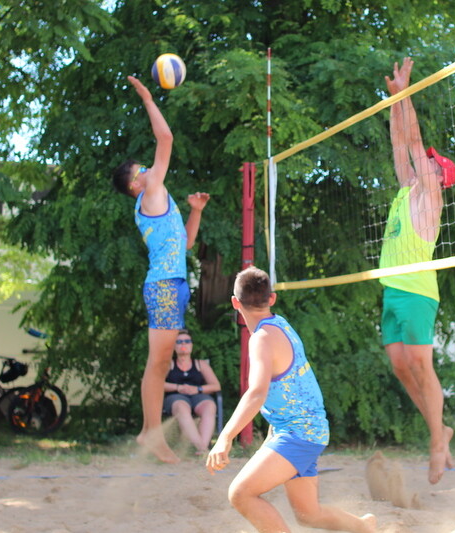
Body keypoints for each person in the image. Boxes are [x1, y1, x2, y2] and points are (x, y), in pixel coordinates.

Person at [207, 267, 376, 533]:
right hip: (304, 429)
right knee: (308, 515)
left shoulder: (261, 338)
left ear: (235, 302)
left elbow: (256, 392)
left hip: (300, 433)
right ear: (271, 299)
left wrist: (225, 437)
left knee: (240, 494)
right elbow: (290, 388)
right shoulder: (280, 323)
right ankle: (365, 527)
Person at [111, 75, 210, 463]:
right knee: (157, 364)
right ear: (136, 185)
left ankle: (149, 433)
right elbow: (165, 139)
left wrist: (196, 213)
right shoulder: (151, 194)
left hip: (171, 284)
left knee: (158, 362)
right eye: (141, 170)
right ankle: (151, 433)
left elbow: (184, 244)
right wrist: (149, 98)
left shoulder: (155, 200)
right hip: (165, 287)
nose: (149, 170)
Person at [379, 57, 455, 485]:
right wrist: (395, 100)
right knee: (399, 365)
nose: (420, 161)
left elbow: (413, 141)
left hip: (416, 291)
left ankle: (436, 441)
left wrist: (406, 92)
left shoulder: (430, 197)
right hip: (393, 289)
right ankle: (439, 426)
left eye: (428, 161)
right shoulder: (406, 191)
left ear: (437, 176)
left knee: (421, 366)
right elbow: (399, 143)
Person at [163, 329, 221, 454]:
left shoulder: (200, 364)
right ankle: (202, 448)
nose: (183, 344)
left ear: (191, 345)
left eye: (187, 341)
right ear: (174, 346)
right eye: (179, 342)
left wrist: (198, 389)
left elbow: (216, 386)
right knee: (182, 407)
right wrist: (178, 387)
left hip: (197, 396)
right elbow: (157, 384)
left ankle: (202, 447)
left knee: (210, 406)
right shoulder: (169, 364)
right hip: (175, 397)